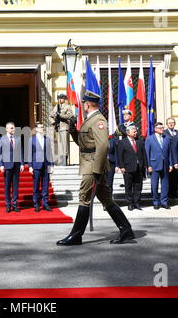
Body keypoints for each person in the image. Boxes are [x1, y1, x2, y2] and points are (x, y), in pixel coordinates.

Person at [57, 91, 135, 246]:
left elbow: (103, 145)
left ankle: (76, 235)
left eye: (84, 103)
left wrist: (97, 170)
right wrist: (73, 130)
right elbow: (84, 143)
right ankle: (126, 230)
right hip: (90, 162)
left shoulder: (98, 120)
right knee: (106, 199)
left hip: (93, 165)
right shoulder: (90, 119)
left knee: (83, 197)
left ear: (87, 104)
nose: (83, 106)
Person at [117, 125, 147, 211]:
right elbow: (120, 155)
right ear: (128, 133)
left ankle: (136, 202)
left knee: (138, 186)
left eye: (136, 131)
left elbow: (143, 154)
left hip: (139, 168)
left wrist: (145, 165)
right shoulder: (122, 142)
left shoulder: (140, 141)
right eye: (134, 131)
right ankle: (130, 203)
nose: (135, 132)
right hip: (127, 168)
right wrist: (121, 166)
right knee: (128, 186)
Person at [0, 122, 25, 213]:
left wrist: (22, 164)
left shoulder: (18, 139)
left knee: (16, 186)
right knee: (7, 186)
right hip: (6, 166)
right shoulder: (1, 139)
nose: (13, 129)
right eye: (11, 128)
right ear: (7, 129)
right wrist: (1, 165)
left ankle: (15, 204)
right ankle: (8, 205)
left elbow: (21, 152)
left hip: (16, 166)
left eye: (13, 128)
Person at [145, 122, 173, 210]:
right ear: (155, 129)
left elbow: (170, 153)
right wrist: (148, 165)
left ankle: (164, 202)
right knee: (154, 185)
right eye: (160, 128)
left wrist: (171, 164)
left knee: (165, 184)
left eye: (162, 128)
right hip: (154, 165)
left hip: (165, 164)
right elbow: (147, 153)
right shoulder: (150, 139)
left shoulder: (167, 138)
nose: (162, 129)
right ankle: (156, 202)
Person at [28, 122, 54, 212]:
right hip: (36, 165)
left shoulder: (47, 139)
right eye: (40, 127)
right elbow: (29, 154)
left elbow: (50, 153)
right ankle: (36, 204)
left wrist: (51, 165)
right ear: (36, 129)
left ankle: (45, 203)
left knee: (45, 185)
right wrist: (30, 166)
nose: (42, 128)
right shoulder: (32, 140)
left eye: (43, 127)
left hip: (46, 165)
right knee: (36, 186)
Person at [49, 94, 74, 166]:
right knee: (59, 145)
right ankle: (60, 160)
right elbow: (50, 116)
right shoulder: (56, 107)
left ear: (64, 99)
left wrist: (60, 115)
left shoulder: (67, 107)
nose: (60, 99)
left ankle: (64, 160)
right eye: (59, 98)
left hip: (64, 127)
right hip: (57, 127)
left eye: (61, 98)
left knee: (64, 144)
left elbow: (70, 116)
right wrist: (53, 122)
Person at [163, 117, 178, 198]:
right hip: (168, 158)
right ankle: (169, 194)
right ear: (167, 124)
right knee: (169, 177)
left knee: (176, 177)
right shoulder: (163, 133)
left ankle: (175, 192)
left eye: (172, 122)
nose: (171, 124)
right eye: (169, 122)